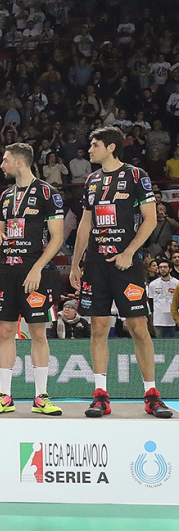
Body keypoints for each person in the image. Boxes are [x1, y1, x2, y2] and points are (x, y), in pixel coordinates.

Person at [71, 126, 172, 418]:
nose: (90, 149)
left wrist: (129, 252)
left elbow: (150, 219)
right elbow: (85, 224)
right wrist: (76, 262)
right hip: (96, 265)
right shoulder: (91, 180)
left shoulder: (137, 175)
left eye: (95, 144)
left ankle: (151, 395)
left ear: (111, 147)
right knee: (98, 327)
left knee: (138, 327)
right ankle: (100, 395)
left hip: (127, 264)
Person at [0, 143, 66, 416]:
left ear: (19, 162)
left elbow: (57, 237)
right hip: (7, 272)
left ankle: (41, 396)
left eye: (5, 160)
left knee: (38, 333)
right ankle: (4, 396)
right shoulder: (6, 195)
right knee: (6, 332)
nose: (2, 165)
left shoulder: (47, 192)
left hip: (35, 272)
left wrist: (37, 269)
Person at [148, 260, 178, 338]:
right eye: (160, 267)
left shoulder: (177, 283)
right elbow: (150, 301)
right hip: (158, 321)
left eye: (165, 267)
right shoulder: (153, 284)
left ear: (170, 269)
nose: (162, 269)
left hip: (173, 321)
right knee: (158, 343)